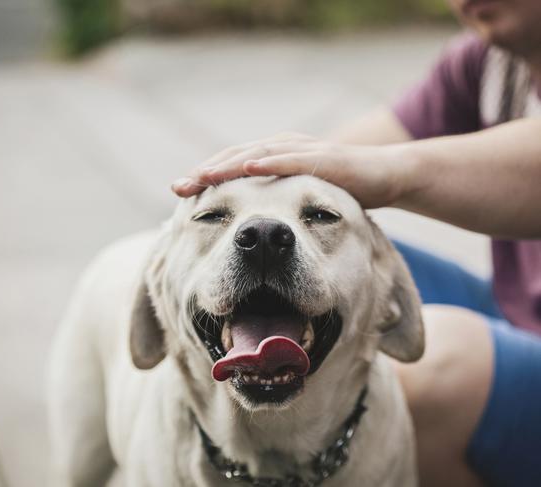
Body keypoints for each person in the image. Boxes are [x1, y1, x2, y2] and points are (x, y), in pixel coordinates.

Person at [171, 0, 541, 485]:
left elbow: (370, 164)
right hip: (515, 309)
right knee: (339, 252)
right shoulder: (487, 63)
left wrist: (391, 173)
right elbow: (321, 163)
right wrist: (219, 222)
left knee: (436, 362)